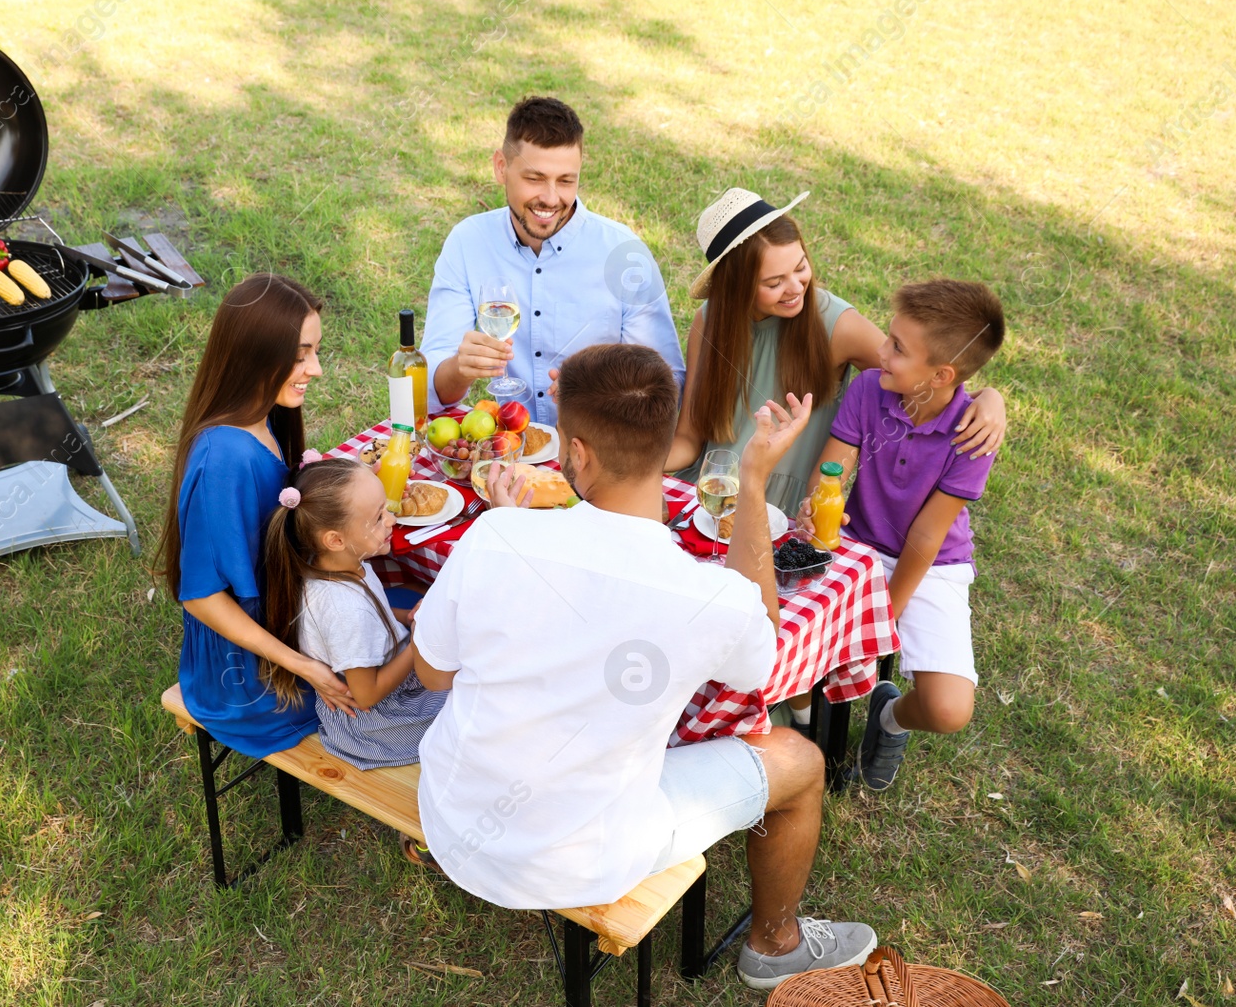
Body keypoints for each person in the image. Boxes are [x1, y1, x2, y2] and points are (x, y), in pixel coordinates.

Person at [410, 343, 877, 990]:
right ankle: (774, 944)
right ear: (668, 446)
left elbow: (433, 675)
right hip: (582, 858)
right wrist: (752, 482)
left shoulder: (494, 533)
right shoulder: (702, 595)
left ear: (574, 451)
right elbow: (762, 657)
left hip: (452, 811)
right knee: (799, 760)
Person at [665, 188, 1008, 515]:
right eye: (774, 282)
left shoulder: (836, 324)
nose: (796, 287)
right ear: (736, 286)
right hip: (711, 490)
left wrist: (988, 396)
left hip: (780, 509)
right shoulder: (710, 321)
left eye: (800, 268)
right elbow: (688, 437)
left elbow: (920, 376)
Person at [795, 279, 1006, 791]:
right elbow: (833, 467)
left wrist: (886, 613)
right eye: (888, 339)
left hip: (931, 564)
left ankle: (889, 718)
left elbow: (929, 535)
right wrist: (817, 504)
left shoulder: (972, 434)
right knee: (796, 631)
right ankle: (804, 736)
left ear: (941, 375)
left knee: (949, 708)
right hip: (856, 543)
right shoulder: (871, 388)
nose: (881, 352)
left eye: (896, 348)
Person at [156, 274, 358, 760]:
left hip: (282, 612)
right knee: (390, 669)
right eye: (302, 354)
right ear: (256, 355)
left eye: (315, 351)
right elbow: (202, 598)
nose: (318, 369)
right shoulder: (224, 457)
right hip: (248, 675)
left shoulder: (262, 417)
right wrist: (307, 668)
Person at [420, 96, 684, 425]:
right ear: (501, 167)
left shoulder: (623, 252)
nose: (550, 198)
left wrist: (601, 390)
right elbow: (427, 390)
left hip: (603, 450)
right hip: (512, 445)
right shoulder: (468, 242)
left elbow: (669, 384)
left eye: (565, 181)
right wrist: (459, 368)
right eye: (534, 178)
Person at [261, 457, 447, 770]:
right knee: (469, 694)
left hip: (380, 676)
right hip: (380, 723)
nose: (391, 520)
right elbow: (366, 695)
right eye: (378, 517)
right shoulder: (346, 612)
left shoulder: (333, 563)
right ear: (335, 540)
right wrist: (419, 641)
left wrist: (404, 618)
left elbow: (376, 615)